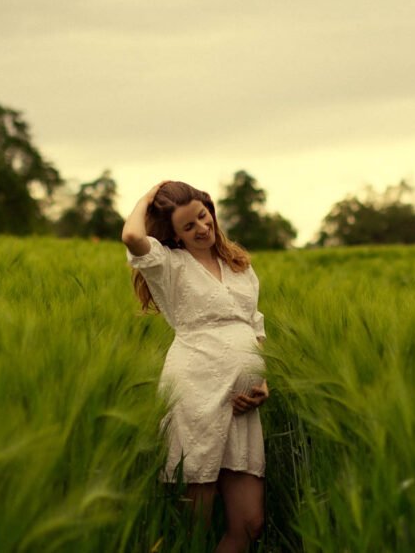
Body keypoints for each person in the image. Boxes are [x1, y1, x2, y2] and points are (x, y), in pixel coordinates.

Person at [122, 180, 269, 552]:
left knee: (250, 523)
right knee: (194, 526)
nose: (202, 228)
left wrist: (262, 381)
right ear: (173, 235)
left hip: (242, 404)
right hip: (195, 394)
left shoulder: (239, 266)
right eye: (188, 226)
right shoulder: (168, 266)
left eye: (203, 217)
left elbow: (254, 325)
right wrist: (148, 197)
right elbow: (131, 236)